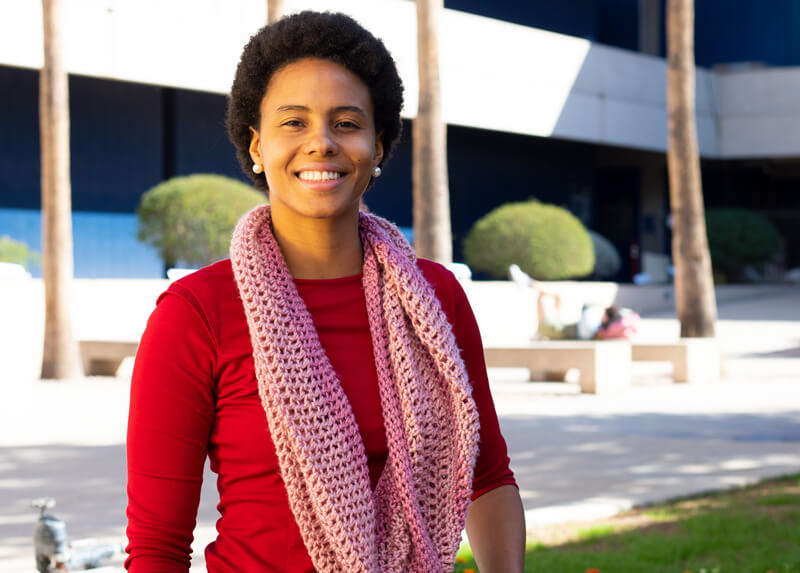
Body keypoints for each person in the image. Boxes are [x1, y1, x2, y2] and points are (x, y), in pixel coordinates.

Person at [125, 11, 525, 573]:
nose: (321, 143)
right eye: (294, 122)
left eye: (345, 122)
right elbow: (157, 546)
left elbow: (485, 477)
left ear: (378, 146)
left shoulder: (435, 298)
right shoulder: (198, 313)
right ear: (257, 145)